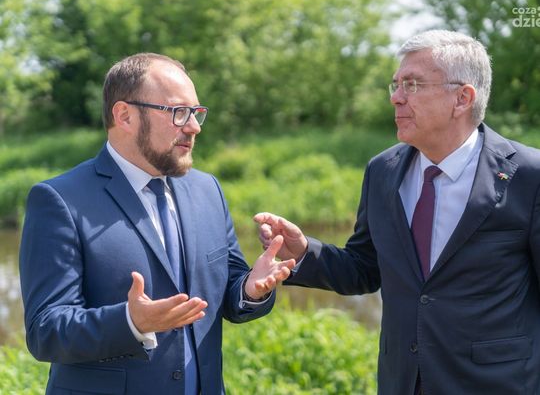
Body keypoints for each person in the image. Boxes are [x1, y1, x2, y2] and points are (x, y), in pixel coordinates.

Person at [254, 30, 540, 394]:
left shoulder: (528, 175)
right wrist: (304, 251)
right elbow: (364, 268)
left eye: (412, 85)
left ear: (462, 98)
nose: (396, 97)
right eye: (396, 84)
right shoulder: (382, 170)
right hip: (402, 382)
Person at [19, 52, 295, 395]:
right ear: (125, 116)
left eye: (196, 113)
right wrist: (130, 322)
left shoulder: (208, 190)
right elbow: (45, 331)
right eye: (179, 112)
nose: (193, 126)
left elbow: (227, 294)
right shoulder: (59, 200)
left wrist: (251, 289)